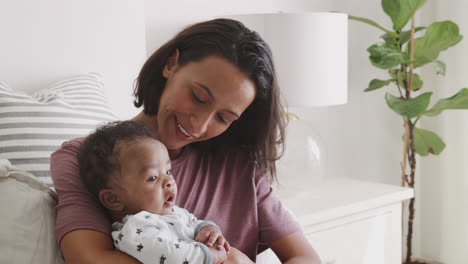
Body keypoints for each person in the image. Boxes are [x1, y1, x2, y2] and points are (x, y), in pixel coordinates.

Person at [51, 18, 322, 264]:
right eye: (199, 98)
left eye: (224, 118)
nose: (199, 125)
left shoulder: (238, 165)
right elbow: (88, 259)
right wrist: (221, 259)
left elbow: (304, 257)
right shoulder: (86, 158)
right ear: (171, 64)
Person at [78, 121, 230, 264]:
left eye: (168, 171)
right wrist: (209, 255)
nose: (169, 180)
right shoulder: (135, 231)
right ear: (113, 199)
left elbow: (193, 222)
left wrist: (208, 230)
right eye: (153, 178)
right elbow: (173, 257)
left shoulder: (173, 213)